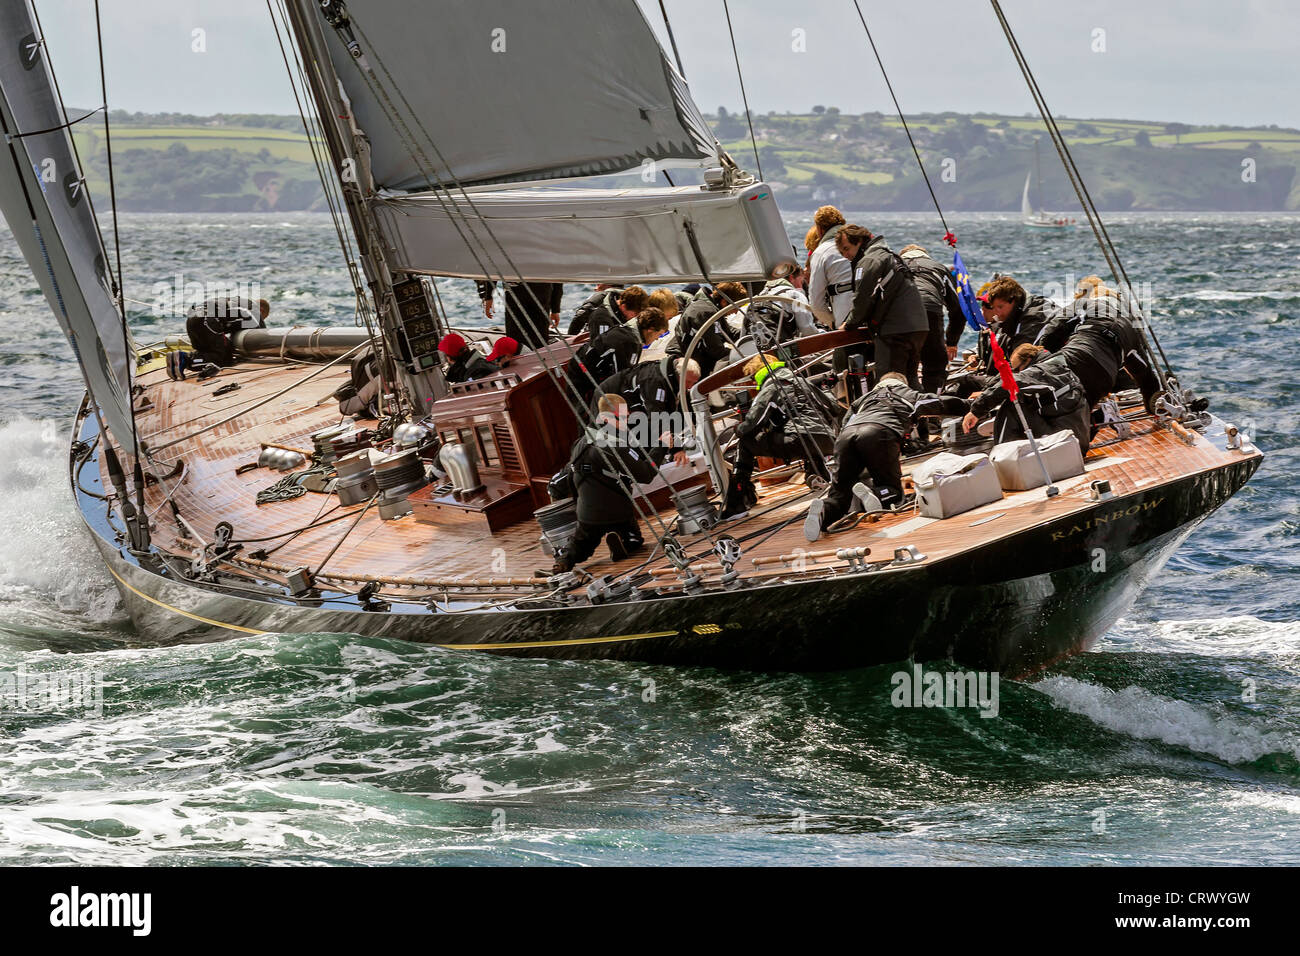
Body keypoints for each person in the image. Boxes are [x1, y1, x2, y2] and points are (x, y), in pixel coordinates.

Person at [805, 372, 968, 541]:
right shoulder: (909, 394)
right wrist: (973, 407)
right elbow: (940, 403)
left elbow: (844, 424)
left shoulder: (861, 400)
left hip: (846, 437)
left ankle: (824, 510)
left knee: (840, 494)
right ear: (902, 384)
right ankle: (873, 494)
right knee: (893, 490)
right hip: (880, 432)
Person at [719, 353, 839, 519]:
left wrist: (737, 429)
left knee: (745, 442)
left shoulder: (771, 387)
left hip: (798, 440)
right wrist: (826, 388)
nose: (753, 383)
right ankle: (821, 476)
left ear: (758, 373)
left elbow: (752, 423)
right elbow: (833, 407)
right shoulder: (802, 381)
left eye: (753, 378)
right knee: (808, 438)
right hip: (828, 440)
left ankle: (738, 503)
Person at [551, 393, 660, 573]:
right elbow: (646, 474)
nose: (624, 423)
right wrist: (661, 446)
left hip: (587, 513)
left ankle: (564, 560)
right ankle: (624, 539)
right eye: (620, 419)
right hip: (617, 510)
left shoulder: (581, 442)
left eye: (626, 418)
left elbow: (569, 473)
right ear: (604, 417)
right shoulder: (613, 444)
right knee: (634, 538)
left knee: (582, 545)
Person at [838, 225, 929, 386]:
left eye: (847, 249)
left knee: (889, 381)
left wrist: (850, 324)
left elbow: (862, 297)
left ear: (859, 242)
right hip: (918, 327)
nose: (846, 256)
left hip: (895, 331)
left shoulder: (869, 260)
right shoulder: (890, 256)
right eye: (842, 252)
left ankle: (893, 410)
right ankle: (920, 409)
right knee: (910, 378)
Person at [962, 343, 1092, 451]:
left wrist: (976, 411)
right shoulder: (1059, 367)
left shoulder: (1042, 371)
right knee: (1025, 400)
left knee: (1012, 405)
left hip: (1065, 443)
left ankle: (1002, 454)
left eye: (1018, 369)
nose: (1017, 372)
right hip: (1078, 441)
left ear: (1028, 360)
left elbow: (1010, 382)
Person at [596, 356, 700, 465]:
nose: (689, 386)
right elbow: (657, 416)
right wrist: (676, 449)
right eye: (688, 382)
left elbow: (685, 410)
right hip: (609, 397)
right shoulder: (654, 381)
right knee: (639, 434)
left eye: (694, 382)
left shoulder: (675, 380)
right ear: (678, 374)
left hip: (633, 402)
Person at [899, 244, 965, 392]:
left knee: (904, 366)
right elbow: (958, 309)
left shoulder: (893, 267)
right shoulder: (939, 268)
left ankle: (906, 401)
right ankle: (931, 405)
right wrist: (952, 342)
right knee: (935, 365)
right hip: (930, 311)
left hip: (900, 315)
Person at [569, 307, 670, 402]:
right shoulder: (629, 342)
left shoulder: (628, 333)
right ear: (650, 330)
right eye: (659, 335)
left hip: (583, 368)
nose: (657, 339)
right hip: (582, 378)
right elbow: (620, 380)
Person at [170, 296, 270, 379]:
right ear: (261, 310)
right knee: (223, 359)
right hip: (208, 320)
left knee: (209, 351)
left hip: (194, 318)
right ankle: (185, 359)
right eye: (263, 317)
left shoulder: (237, 303)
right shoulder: (253, 310)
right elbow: (262, 338)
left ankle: (179, 360)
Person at [663, 282, 746, 377]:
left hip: (693, 355)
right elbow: (716, 350)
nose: (735, 312)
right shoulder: (705, 312)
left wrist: (748, 334)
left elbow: (727, 332)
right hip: (684, 361)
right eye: (736, 308)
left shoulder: (709, 306)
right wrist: (743, 355)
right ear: (724, 302)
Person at [982, 276, 1063, 357]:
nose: (997, 313)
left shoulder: (1033, 318)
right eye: (993, 308)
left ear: (1013, 301)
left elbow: (1022, 358)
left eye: (1000, 307)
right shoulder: (1014, 316)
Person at [476, 280, 563, 350]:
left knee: (519, 341)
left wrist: (488, 297)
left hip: (523, 293)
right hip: (535, 294)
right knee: (535, 342)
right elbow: (558, 275)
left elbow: (496, 264)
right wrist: (555, 309)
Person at [806, 205, 854, 329]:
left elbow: (816, 302)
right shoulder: (858, 243)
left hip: (845, 315)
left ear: (820, 229)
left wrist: (832, 323)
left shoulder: (821, 252)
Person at [565, 285, 648, 339]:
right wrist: (571, 340)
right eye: (634, 314)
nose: (633, 318)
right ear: (623, 306)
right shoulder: (599, 301)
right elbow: (579, 318)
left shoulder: (634, 304)